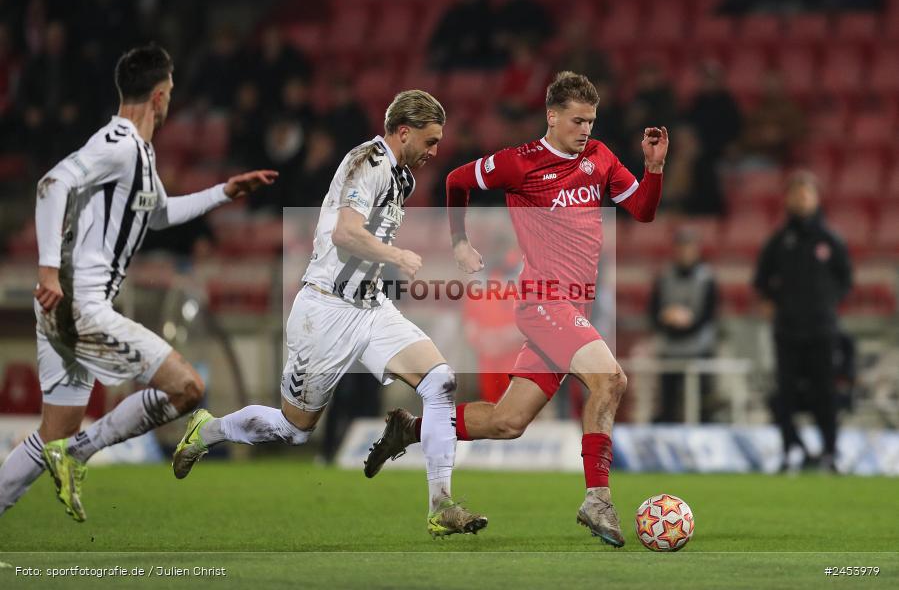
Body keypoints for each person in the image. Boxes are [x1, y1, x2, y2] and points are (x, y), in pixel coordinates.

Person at [365, 72, 668, 546]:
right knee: (611, 380)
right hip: (544, 300)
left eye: (591, 120)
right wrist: (460, 242)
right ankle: (597, 499)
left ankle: (411, 430)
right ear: (552, 116)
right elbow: (456, 180)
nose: (585, 129)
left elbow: (644, 212)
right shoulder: (518, 163)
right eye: (577, 120)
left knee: (509, 422)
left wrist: (653, 168)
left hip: (574, 308)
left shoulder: (600, 158)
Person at [171, 90, 488, 538]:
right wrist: (395, 254)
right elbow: (345, 233)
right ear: (403, 132)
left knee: (440, 381)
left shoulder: (402, 178)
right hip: (325, 309)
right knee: (295, 429)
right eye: (430, 140)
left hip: (370, 307)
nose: (434, 151)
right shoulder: (369, 164)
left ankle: (441, 505)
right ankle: (209, 430)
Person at [0, 44, 277, 521]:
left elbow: (161, 214)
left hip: (68, 306)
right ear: (159, 95)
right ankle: (81, 454)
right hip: (79, 303)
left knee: (53, 432)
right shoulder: (120, 144)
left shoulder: (137, 154)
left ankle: (68, 452)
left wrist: (224, 192)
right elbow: (51, 185)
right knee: (187, 388)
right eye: (169, 93)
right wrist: (47, 269)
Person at [754, 171, 852, 473]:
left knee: (826, 393)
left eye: (806, 194)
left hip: (822, 330)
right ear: (788, 199)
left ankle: (830, 452)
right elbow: (761, 280)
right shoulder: (779, 240)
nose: (801, 199)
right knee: (784, 394)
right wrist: (771, 301)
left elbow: (844, 279)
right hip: (787, 330)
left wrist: (825, 303)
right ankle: (790, 451)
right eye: (796, 194)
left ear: (816, 198)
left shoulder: (830, 239)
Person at [648, 228, 719, 422]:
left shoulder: (707, 277)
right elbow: (653, 310)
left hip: (699, 349)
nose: (685, 252)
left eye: (689, 247)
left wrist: (688, 323)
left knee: (702, 405)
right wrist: (668, 320)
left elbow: (709, 313)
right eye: (681, 247)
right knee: (668, 404)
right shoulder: (664, 276)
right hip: (669, 348)